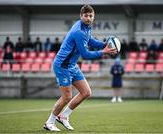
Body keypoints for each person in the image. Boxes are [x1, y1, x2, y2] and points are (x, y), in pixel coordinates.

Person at [43, 4, 117, 132]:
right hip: (62, 65)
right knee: (67, 97)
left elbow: (91, 41)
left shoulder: (86, 27)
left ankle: (64, 116)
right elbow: (86, 54)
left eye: (90, 16)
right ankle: (49, 122)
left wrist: (104, 44)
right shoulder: (79, 31)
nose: (88, 18)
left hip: (71, 65)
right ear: (81, 16)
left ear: (93, 16)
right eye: (86, 16)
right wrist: (104, 52)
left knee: (86, 92)